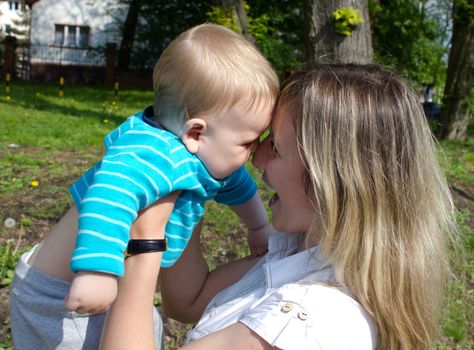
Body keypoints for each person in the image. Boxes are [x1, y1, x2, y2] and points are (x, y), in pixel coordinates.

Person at [101, 64, 457, 350]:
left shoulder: (306, 322)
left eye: (277, 147)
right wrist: (189, 183)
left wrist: (143, 243)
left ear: (331, 180)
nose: (256, 158)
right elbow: (187, 300)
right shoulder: (305, 255)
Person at [9, 23, 278, 349]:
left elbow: (237, 185)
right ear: (195, 133)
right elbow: (109, 197)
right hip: (60, 293)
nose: (255, 152)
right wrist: (98, 272)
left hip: (98, 282)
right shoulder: (151, 154)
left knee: (146, 328)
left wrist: (258, 226)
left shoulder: (200, 153)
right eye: (248, 142)